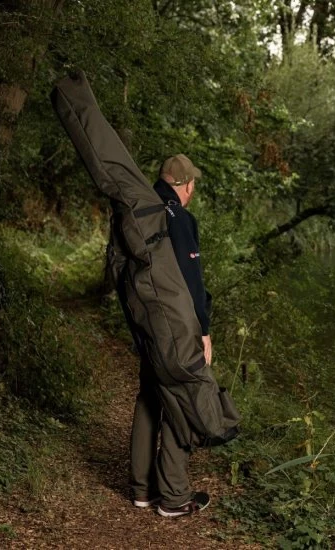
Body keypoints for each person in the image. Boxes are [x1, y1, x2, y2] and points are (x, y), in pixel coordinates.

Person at [129, 154, 213, 518]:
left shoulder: (140, 210)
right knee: (183, 399)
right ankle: (174, 497)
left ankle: (142, 490)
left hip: (145, 320)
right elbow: (191, 282)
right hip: (176, 329)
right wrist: (204, 330)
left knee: (150, 396)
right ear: (187, 185)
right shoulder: (180, 219)